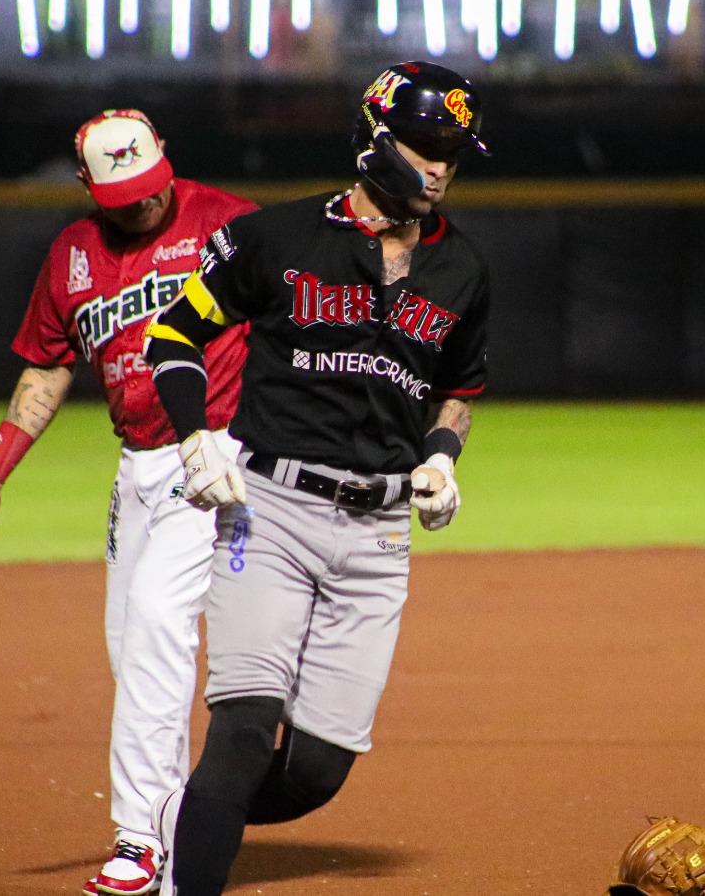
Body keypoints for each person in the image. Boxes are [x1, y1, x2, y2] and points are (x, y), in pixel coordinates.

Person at [137, 61, 491, 896]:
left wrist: (440, 455)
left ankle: (182, 821)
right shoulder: (276, 237)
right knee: (245, 726)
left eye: (453, 150)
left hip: (378, 536)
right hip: (273, 514)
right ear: (377, 139)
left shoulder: (464, 269)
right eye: (426, 144)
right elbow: (173, 337)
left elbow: (459, 390)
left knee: (320, 772)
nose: (441, 164)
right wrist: (195, 441)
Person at [0, 108, 257, 896]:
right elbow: (46, 370)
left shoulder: (228, 222)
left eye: (152, 185)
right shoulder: (73, 256)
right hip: (139, 470)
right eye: (124, 194)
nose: (144, 204)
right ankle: (170, 830)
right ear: (89, 187)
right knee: (132, 649)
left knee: (158, 623)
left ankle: (140, 844)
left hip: (218, 453)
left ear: (168, 160)